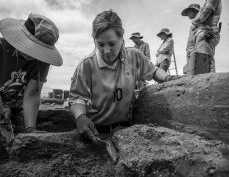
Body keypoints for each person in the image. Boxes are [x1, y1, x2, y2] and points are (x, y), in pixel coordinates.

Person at [69, 10, 171, 144]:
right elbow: (77, 98)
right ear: (95, 40)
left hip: (125, 130)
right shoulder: (86, 65)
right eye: (100, 44)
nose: (106, 51)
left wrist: (169, 79)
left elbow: (153, 71)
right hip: (97, 133)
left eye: (111, 44)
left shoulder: (134, 56)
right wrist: (80, 117)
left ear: (122, 38)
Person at [0, 13, 63, 133]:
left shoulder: (42, 62)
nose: (32, 54)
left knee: (19, 141)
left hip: (12, 108)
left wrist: (30, 129)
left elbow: (33, 94)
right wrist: (0, 107)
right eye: (31, 46)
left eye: (38, 50)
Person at [191, 0, 221, 72]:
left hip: (206, 34)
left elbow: (204, 15)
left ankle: (211, 82)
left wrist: (194, 21)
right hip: (205, 34)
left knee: (206, 63)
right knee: (203, 63)